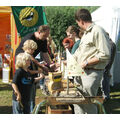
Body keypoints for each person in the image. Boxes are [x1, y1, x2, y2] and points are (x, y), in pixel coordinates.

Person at [72, 8, 111, 114]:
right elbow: (80, 53)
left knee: (88, 105)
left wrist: (86, 62)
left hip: (91, 73)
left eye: (77, 23)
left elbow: (105, 54)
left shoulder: (97, 30)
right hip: (81, 74)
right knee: (78, 103)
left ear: (80, 21)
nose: (78, 25)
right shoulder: (85, 34)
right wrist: (69, 61)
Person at [22, 40, 45, 113]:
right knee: (30, 98)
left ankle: (33, 111)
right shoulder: (26, 56)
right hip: (29, 80)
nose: (33, 51)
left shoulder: (30, 55)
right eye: (32, 49)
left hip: (32, 79)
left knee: (32, 97)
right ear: (28, 48)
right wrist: (39, 72)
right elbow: (28, 70)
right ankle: (31, 112)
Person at [101, 34, 116, 100]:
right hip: (106, 65)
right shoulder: (109, 44)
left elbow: (110, 58)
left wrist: (106, 67)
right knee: (104, 81)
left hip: (106, 66)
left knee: (105, 81)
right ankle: (105, 95)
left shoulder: (111, 44)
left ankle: (106, 96)